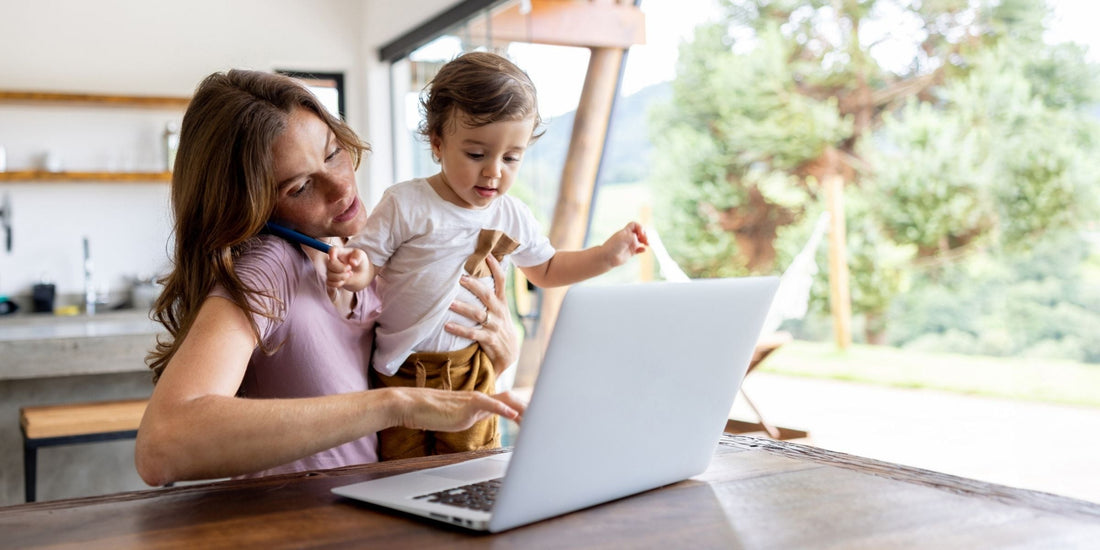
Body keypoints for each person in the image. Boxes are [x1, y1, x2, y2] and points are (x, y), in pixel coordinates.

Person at [134, 69, 525, 486]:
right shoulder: (269, 268)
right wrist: (395, 404)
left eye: (334, 152)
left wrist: (499, 356)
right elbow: (163, 445)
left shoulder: (362, 255)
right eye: (301, 186)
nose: (341, 187)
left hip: (380, 513)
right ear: (252, 207)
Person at [325, 51, 649, 460]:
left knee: (473, 461)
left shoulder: (511, 214)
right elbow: (368, 261)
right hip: (400, 370)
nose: (494, 171)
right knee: (397, 463)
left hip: (472, 369)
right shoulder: (406, 202)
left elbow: (547, 269)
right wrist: (353, 271)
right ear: (438, 144)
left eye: (511, 157)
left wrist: (606, 255)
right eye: (476, 155)